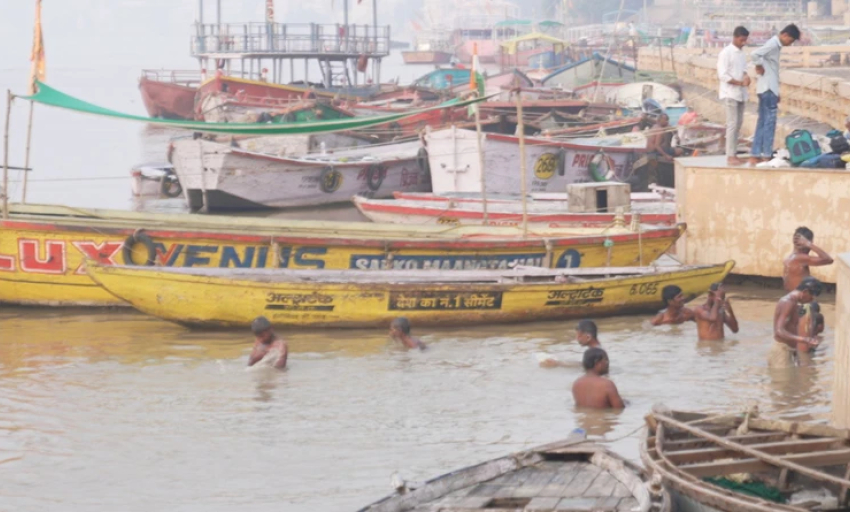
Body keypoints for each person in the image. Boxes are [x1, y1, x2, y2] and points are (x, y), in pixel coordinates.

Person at [749, 24, 801, 166]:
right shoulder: (773, 44)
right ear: (785, 35)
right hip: (768, 89)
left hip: (766, 88)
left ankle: (755, 153)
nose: (790, 44)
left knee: (762, 122)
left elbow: (771, 69)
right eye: (790, 41)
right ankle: (766, 154)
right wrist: (758, 65)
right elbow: (755, 54)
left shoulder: (774, 45)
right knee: (769, 123)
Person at [717, 26, 751, 166]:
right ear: (735, 37)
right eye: (741, 40)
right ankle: (730, 156)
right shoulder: (726, 53)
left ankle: (734, 153)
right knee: (732, 124)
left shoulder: (742, 54)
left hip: (741, 94)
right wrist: (739, 83)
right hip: (729, 93)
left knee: (738, 124)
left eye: (745, 40)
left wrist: (746, 77)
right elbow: (722, 75)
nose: (744, 42)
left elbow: (744, 70)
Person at [771, 277, 822, 367]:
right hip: (782, 351)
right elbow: (779, 331)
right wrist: (804, 339)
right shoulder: (788, 302)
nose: (811, 300)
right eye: (811, 297)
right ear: (805, 292)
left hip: (790, 350)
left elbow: (793, 325)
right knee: (782, 380)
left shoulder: (796, 303)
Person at [782, 226, 833, 292]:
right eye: (811, 241)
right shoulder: (800, 258)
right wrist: (808, 244)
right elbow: (828, 260)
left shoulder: (790, 257)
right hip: (800, 298)